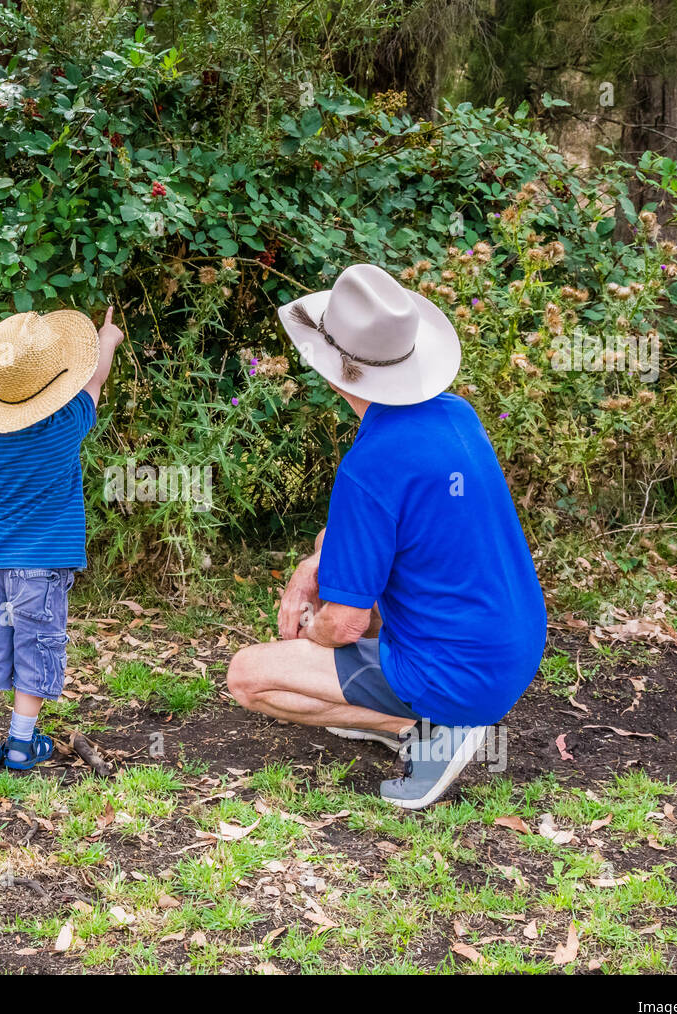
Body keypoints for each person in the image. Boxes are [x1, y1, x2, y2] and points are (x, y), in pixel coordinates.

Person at [226, 264, 547, 809]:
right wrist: (313, 565)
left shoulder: (369, 465)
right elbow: (378, 526)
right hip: (512, 647)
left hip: (455, 673)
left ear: (332, 373)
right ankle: (408, 715)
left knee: (248, 676)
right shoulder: (455, 415)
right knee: (356, 599)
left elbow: (348, 622)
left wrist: (310, 638)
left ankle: (427, 727)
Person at [0, 306, 123, 771]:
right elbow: (94, 381)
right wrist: (108, 338)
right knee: (37, 648)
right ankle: (20, 743)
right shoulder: (66, 421)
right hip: (42, 568)